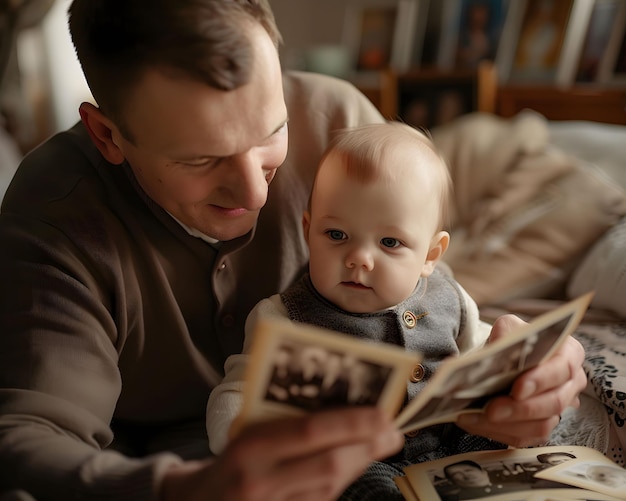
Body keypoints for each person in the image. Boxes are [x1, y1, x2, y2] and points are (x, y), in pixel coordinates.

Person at [0, 1, 587, 500]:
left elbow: (424, 294)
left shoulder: (343, 125)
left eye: (271, 133)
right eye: (200, 161)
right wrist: (180, 489)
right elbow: (29, 435)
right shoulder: (54, 213)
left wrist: (530, 377)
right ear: (107, 135)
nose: (256, 191)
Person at [204, 122, 560, 498]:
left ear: (430, 256)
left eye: (390, 242)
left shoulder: (449, 297)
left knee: (516, 449)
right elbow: (237, 395)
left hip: (455, 439)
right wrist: (243, 439)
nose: (359, 258)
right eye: (336, 235)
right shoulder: (284, 318)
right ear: (308, 231)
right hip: (362, 457)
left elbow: (483, 352)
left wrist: (518, 368)